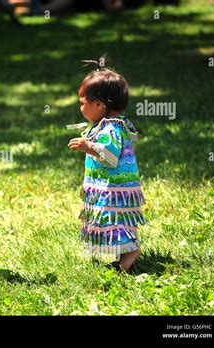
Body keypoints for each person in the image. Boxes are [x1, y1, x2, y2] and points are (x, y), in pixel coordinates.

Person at [67, 57, 145, 272]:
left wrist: (88, 146)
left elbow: (110, 155)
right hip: (111, 186)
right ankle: (123, 254)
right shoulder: (107, 125)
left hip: (114, 188)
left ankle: (131, 251)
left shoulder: (111, 128)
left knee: (115, 219)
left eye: (83, 103)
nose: (81, 107)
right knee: (112, 219)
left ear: (100, 105)